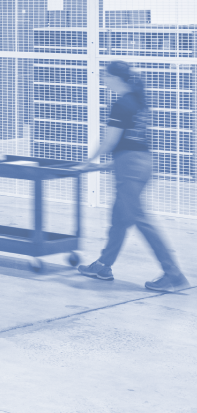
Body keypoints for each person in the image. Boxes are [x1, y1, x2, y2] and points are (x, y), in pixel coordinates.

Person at [78, 60, 186, 291]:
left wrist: (88, 161)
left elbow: (110, 141)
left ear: (116, 79)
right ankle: (103, 265)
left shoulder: (120, 104)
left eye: (106, 76)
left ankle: (173, 274)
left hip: (129, 167)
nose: (103, 80)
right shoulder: (138, 101)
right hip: (141, 163)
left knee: (140, 219)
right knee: (119, 218)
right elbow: (132, 141)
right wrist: (115, 162)